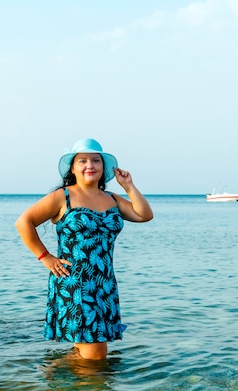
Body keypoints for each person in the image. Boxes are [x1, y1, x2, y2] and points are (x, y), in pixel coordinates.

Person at [15, 138, 153, 361]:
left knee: (89, 349)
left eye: (96, 160)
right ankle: (60, 379)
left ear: (103, 167)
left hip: (104, 283)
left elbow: (144, 215)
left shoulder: (113, 199)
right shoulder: (63, 196)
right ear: (73, 167)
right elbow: (24, 222)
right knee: (96, 354)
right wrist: (45, 257)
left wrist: (128, 186)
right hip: (75, 282)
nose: (90, 165)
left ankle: (60, 382)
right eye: (83, 161)